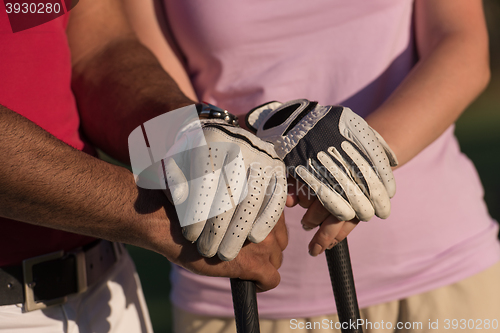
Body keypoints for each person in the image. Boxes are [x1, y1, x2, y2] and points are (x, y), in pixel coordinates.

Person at [148, 0, 500, 332]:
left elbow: (462, 47)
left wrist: (357, 156)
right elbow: (139, 89)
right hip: (237, 288)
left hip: (442, 274)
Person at [0, 0, 288, 331]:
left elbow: (97, 50)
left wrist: (192, 138)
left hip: (106, 287)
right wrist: (155, 217)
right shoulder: (152, 219)